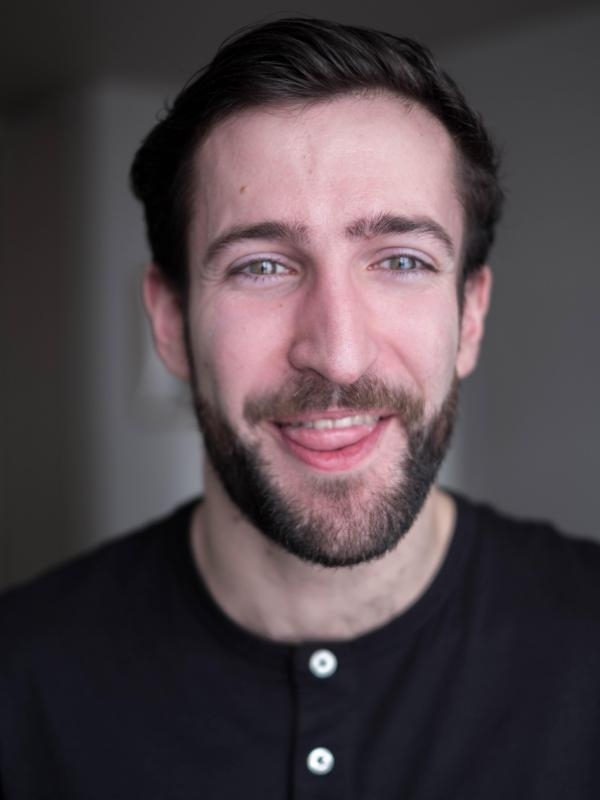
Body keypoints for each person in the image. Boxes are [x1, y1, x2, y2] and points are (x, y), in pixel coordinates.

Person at [1, 17, 599, 800]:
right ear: (171, 321)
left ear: (472, 316)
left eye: (401, 260)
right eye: (261, 266)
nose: (338, 354)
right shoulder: (21, 679)